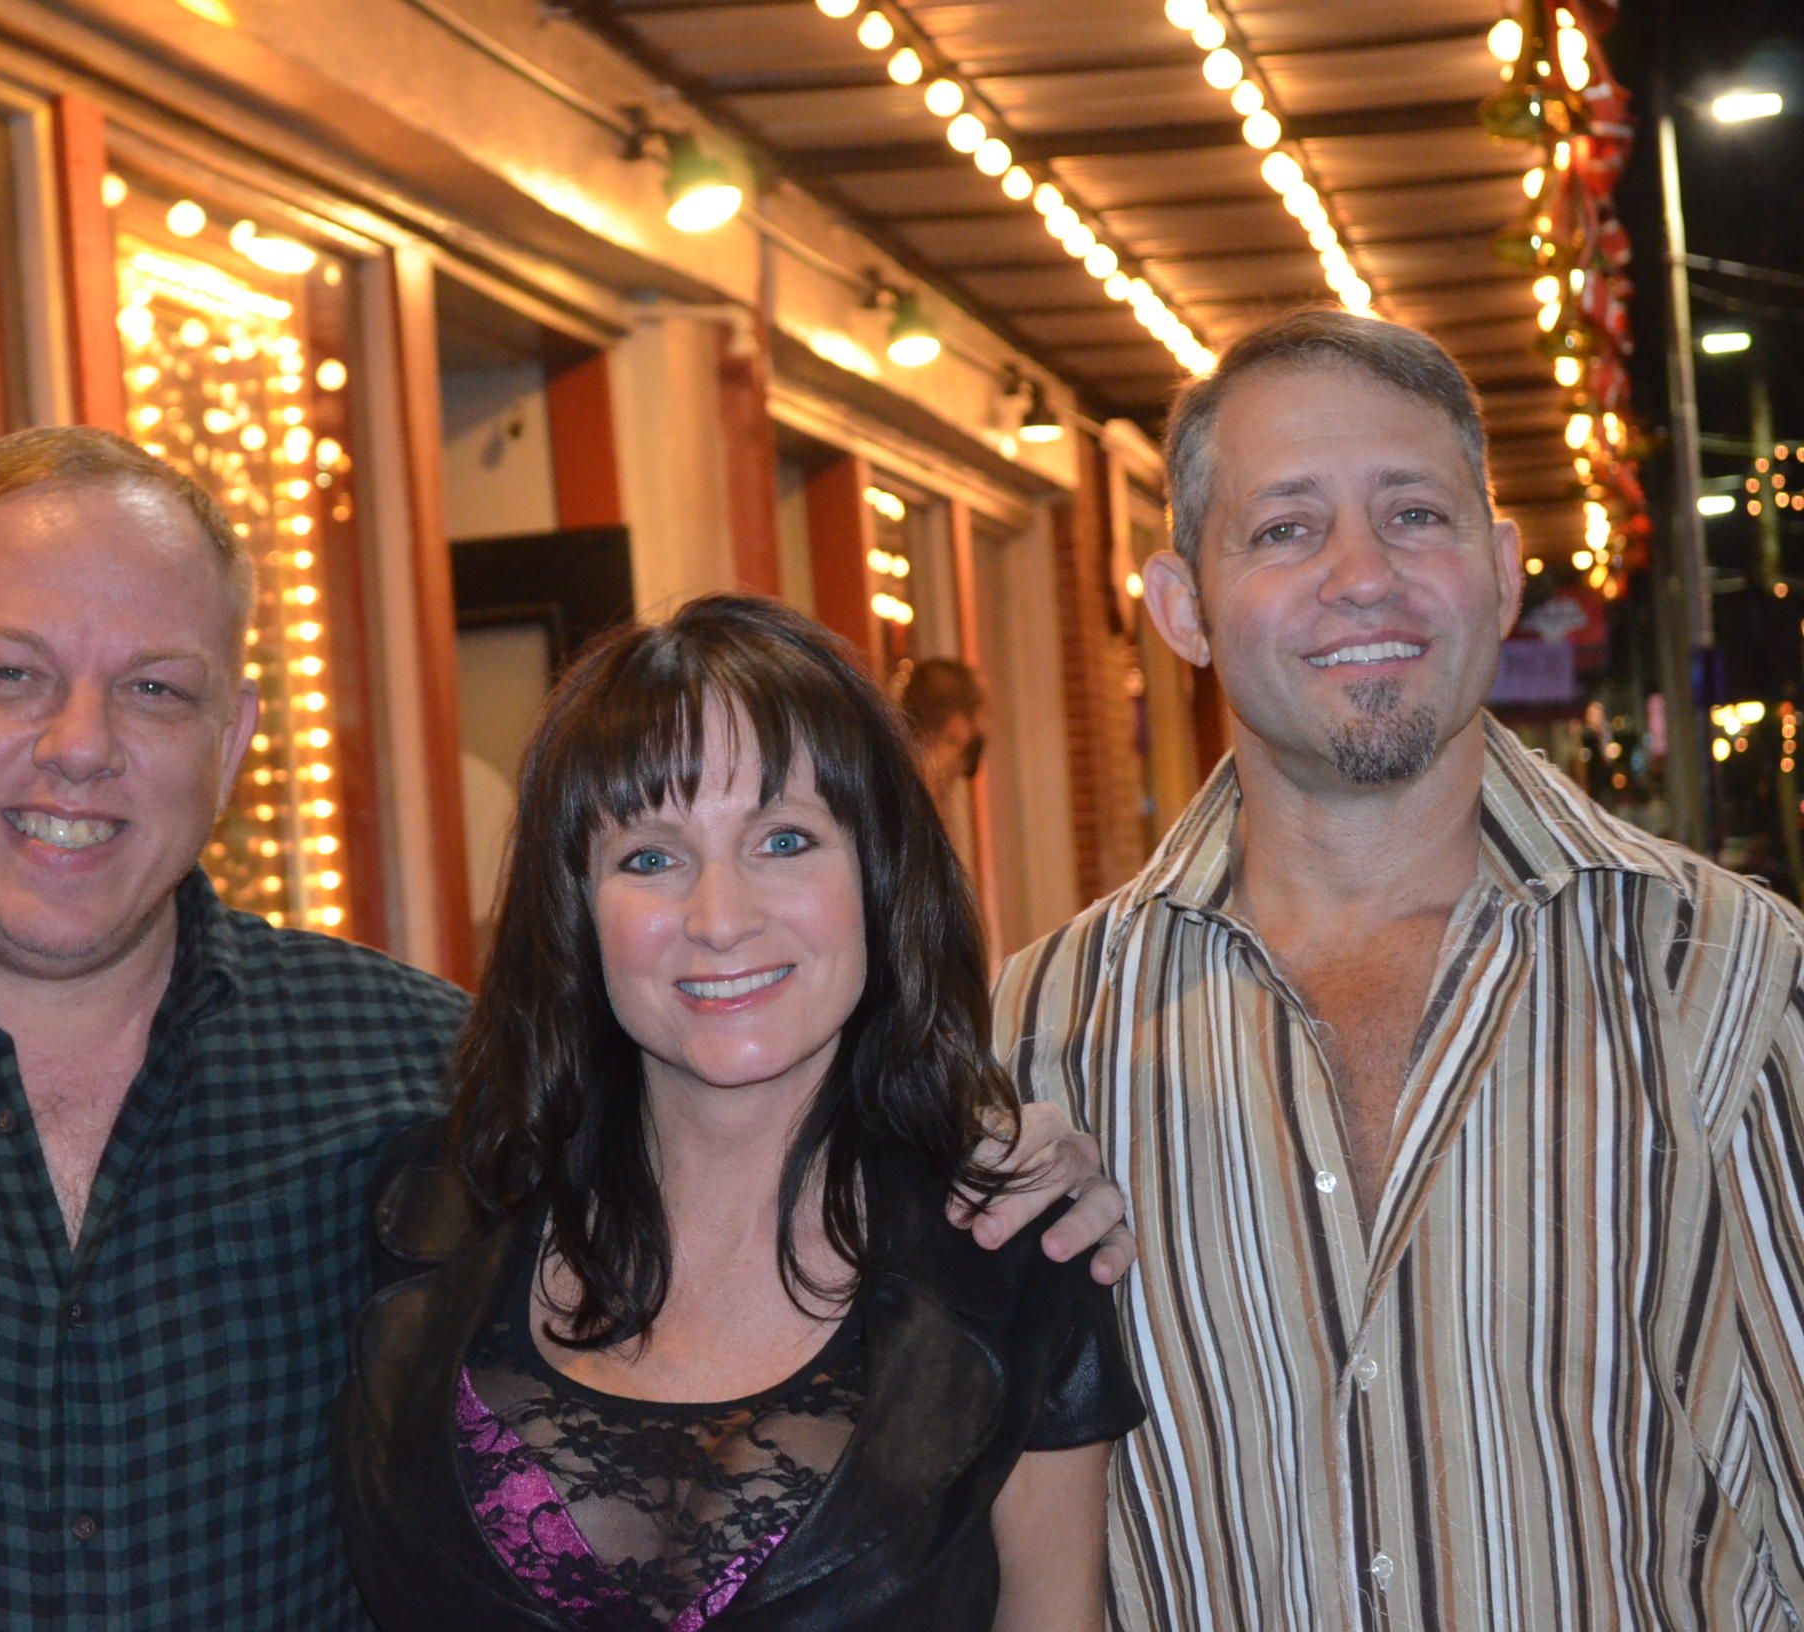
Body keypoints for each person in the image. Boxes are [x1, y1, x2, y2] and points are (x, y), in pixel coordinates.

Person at [0, 427, 1131, 1630]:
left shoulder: (413, 1084)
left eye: (155, 689)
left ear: (236, 738)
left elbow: (719, 1147)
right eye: (8, 675)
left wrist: (981, 1150)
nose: (78, 749)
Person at [992, 309, 1804, 1629]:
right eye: (1285, 528)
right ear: (1182, 607)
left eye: (1414, 515)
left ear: (1499, 570)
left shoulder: (1727, 979)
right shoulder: (1042, 1037)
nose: (1362, 575)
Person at [336, 594, 1144, 1630]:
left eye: (785, 840)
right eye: (650, 858)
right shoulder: (421, 1217)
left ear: (879, 877)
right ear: (574, 910)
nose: (719, 919)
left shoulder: (1014, 1255)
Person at [899, 655, 989, 814]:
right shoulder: (914, 804)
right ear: (958, 725)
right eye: (983, 715)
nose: (986, 730)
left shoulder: (904, 784)